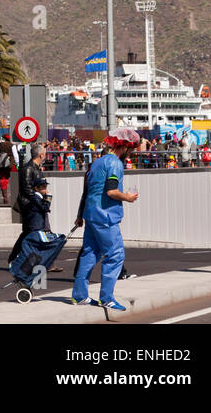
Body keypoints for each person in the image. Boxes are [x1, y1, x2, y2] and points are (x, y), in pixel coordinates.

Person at [72, 128, 141, 310]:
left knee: (89, 253)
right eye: (131, 149)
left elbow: (86, 192)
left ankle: (79, 295)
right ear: (125, 146)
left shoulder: (96, 164)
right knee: (115, 255)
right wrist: (127, 197)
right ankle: (107, 297)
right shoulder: (115, 164)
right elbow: (111, 191)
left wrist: (80, 215)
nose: (131, 153)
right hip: (106, 217)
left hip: (91, 214)